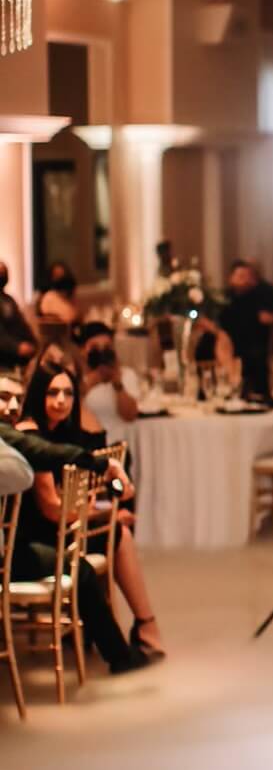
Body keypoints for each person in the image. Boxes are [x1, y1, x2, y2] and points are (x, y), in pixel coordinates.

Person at [0, 371, 154, 676]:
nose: (11, 406)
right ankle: (121, 655)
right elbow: (48, 486)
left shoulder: (31, 434)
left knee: (114, 537)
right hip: (15, 549)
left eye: (16, 398)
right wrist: (102, 466)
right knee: (78, 568)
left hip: (24, 543)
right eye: (3, 398)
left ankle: (139, 631)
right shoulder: (20, 436)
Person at [216, 259, 273, 401]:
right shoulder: (224, 297)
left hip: (254, 344)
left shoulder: (262, 293)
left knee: (254, 356)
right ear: (231, 279)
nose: (244, 280)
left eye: (246, 276)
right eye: (239, 276)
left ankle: (255, 394)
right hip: (228, 343)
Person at [80, 324, 141, 448]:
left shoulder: (126, 375)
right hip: (86, 444)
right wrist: (90, 383)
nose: (101, 352)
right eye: (94, 347)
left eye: (107, 347)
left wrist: (117, 383)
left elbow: (130, 415)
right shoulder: (76, 377)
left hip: (118, 445)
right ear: (83, 350)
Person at [0, 261, 37, 370]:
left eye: (3, 272)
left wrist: (33, 343)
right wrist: (17, 347)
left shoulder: (9, 300)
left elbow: (22, 324)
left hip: (18, 356)